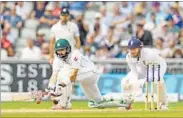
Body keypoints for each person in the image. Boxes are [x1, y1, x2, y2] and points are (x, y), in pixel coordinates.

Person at [46, 39, 133, 110]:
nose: (60, 52)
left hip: (91, 72)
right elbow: (54, 75)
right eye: (58, 50)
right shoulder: (57, 60)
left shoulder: (75, 55)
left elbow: (73, 75)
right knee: (98, 102)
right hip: (84, 79)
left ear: (67, 49)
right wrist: (50, 88)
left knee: (64, 74)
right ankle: (125, 101)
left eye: (62, 50)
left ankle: (64, 104)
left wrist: (61, 87)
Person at [121, 37, 168, 110]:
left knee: (158, 81)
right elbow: (134, 72)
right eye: (130, 49)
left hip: (157, 67)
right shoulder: (129, 57)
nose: (132, 51)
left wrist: (141, 82)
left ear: (140, 48)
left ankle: (163, 104)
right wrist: (136, 84)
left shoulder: (149, 54)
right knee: (125, 81)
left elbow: (150, 74)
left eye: (134, 49)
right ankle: (127, 103)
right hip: (144, 67)